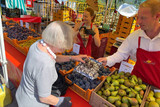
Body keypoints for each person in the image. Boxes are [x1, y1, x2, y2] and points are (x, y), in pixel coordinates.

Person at [16, 21, 87, 107]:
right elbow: (44, 97)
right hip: (33, 103)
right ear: (59, 42)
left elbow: (53, 57)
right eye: (64, 46)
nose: (64, 49)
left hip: (23, 96)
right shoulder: (46, 64)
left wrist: (72, 57)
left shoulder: (38, 44)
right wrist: (61, 102)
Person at [97, 0, 160, 88]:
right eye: (138, 17)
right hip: (134, 85)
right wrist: (107, 60)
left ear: (157, 16)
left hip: (156, 90)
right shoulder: (135, 36)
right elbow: (121, 53)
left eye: (143, 18)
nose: (138, 22)